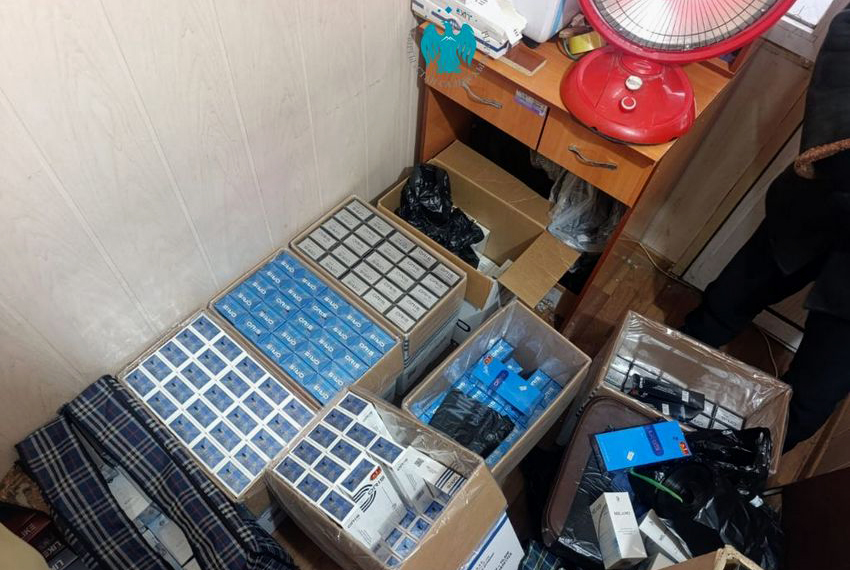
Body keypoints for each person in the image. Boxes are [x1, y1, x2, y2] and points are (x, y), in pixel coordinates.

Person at [681, 8, 850, 452]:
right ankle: (641, 393)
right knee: (727, 300)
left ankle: (728, 471)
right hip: (831, 188)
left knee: (815, 392)